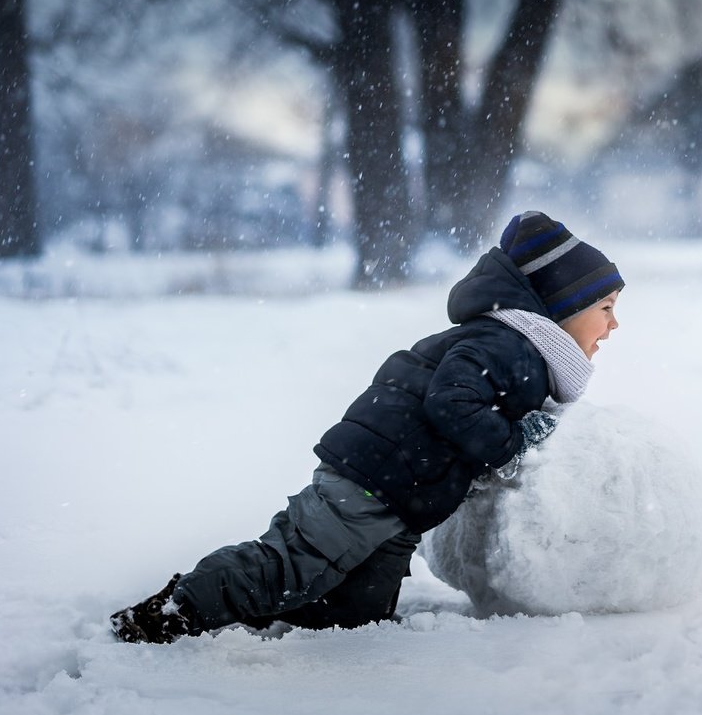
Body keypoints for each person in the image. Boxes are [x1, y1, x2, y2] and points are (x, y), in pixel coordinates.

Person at [110, 211, 624, 643]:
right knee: (290, 566)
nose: (614, 325)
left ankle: (278, 613)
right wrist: (509, 445)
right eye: (605, 308)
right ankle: (174, 611)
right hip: (370, 483)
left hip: (401, 501)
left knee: (356, 614)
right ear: (562, 308)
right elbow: (452, 400)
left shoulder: (518, 351)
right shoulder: (506, 345)